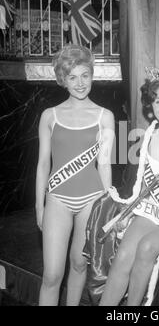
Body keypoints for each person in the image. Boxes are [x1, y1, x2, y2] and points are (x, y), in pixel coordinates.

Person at [97, 67, 159, 306]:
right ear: (151, 105)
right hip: (148, 211)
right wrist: (126, 213)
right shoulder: (147, 135)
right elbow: (139, 183)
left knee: (146, 248)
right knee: (122, 257)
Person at [35, 44, 115, 306]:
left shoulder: (106, 116)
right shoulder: (49, 116)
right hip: (57, 199)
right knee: (51, 275)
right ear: (63, 80)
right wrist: (39, 207)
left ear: (92, 76)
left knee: (80, 265)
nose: (80, 83)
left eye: (85, 75)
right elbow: (43, 164)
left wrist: (108, 207)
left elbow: (104, 164)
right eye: (72, 77)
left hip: (91, 199)